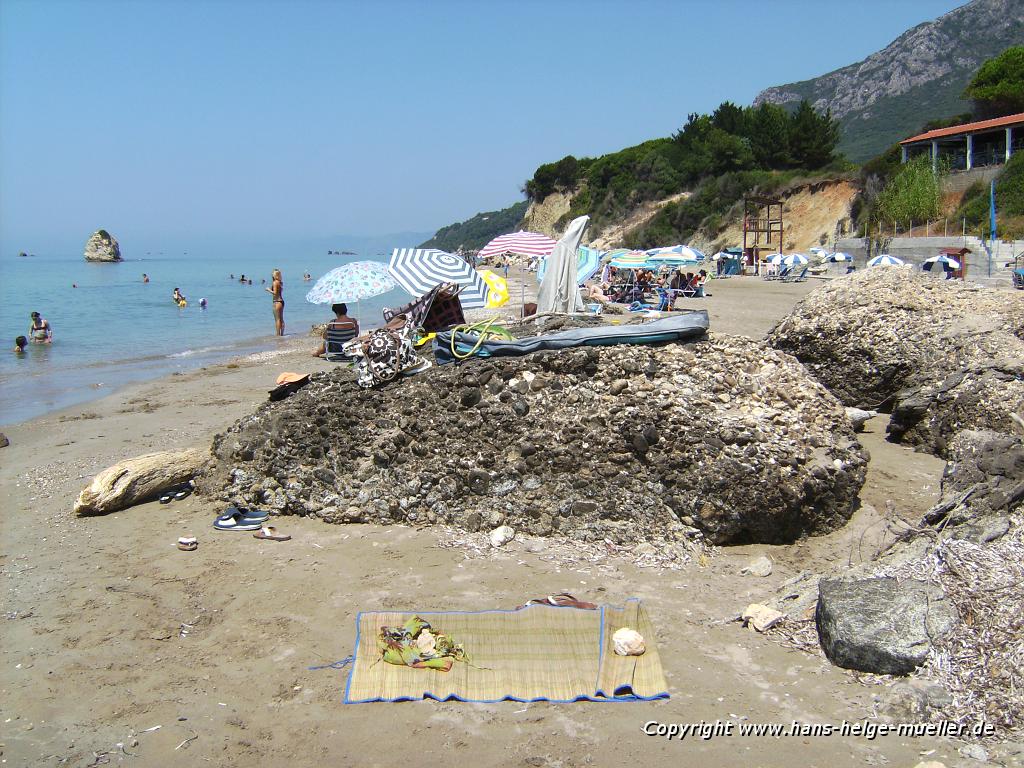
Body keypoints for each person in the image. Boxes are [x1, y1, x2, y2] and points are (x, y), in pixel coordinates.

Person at [266, 268, 284, 336]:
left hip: (276, 302)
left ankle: (278, 335)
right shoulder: (280, 282)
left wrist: (268, 290)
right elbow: (276, 290)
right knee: (281, 318)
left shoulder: (275, 282)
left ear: (274, 275)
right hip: (281, 302)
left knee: (277, 319)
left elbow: (275, 293)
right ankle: (282, 334)